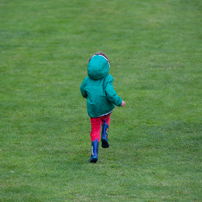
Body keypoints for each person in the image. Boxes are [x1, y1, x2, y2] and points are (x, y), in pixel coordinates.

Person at [80, 53, 125, 163]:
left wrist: (87, 96)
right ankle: (104, 134)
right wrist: (119, 102)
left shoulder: (87, 79)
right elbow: (110, 93)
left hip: (93, 109)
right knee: (106, 118)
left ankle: (94, 154)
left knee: (95, 129)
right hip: (105, 106)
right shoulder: (107, 78)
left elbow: (83, 90)